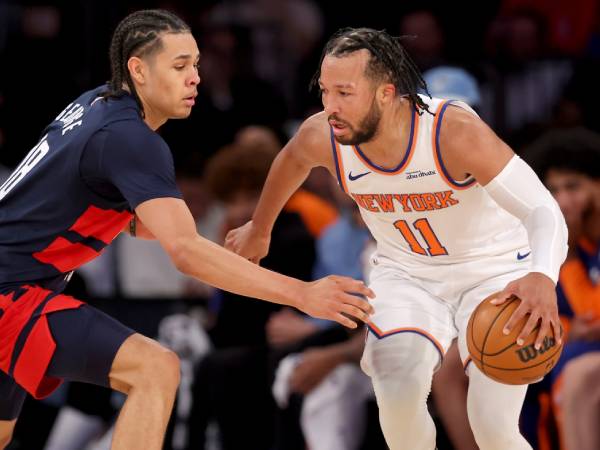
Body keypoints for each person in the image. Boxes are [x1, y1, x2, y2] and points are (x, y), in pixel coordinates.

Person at [0, 11, 374, 450]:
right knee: (155, 369)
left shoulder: (93, 106)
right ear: (138, 69)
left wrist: (199, 238)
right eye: (180, 66)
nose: (195, 77)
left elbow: (136, 225)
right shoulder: (130, 138)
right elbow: (183, 251)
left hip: (21, 286)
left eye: (196, 64)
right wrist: (303, 294)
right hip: (13, 292)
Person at [226, 27, 568, 450]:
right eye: (325, 92)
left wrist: (542, 275)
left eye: (345, 93)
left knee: (492, 424)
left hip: (493, 269)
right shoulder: (325, 135)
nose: (330, 108)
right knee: (397, 390)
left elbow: (542, 209)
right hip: (408, 273)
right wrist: (260, 228)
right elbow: (292, 158)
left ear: (386, 92)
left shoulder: (452, 131)